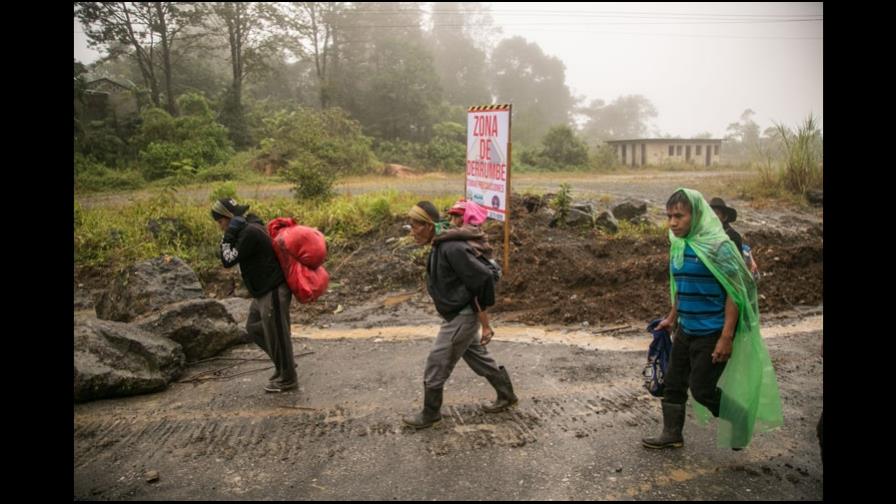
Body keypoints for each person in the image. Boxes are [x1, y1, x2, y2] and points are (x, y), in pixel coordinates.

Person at [642, 189, 782, 450]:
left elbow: (735, 292)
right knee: (673, 384)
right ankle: (672, 434)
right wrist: (671, 318)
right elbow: (680, 286)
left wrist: (726, 337)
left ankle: (739, 418)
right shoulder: (679, 244)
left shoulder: (719, 247)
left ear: (696, 215)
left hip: (712, 332)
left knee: (702, 389)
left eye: (679, 216)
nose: (673, 223)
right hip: (686, 329)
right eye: (669, 216)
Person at [402, 201, 517, 429]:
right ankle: (507, 395)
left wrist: (473, 312)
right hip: (458, 316)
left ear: (428, 225)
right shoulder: (440, 243)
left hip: (461, 317)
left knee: (437, 362)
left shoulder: (450, 248)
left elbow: (482, 278)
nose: (412, 231)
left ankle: (430, 414)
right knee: (478, 357)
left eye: (415, 225)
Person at [211, 198, 297, 393]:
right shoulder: (249, 227)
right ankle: (284, 364)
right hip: (263, 292)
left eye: (220, 222)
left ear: (228, 218)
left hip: (273, 289)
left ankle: (288, 377)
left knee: (278, 334)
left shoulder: (249, 231)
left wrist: (229, 235)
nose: (220, 227)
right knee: (254, 327)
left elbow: (227, 259)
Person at [439, 199, 496, 343]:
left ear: (467, 217)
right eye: (452, 217)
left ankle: (486, 327)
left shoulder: (471, 229)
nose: (453, 221)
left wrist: (435, 236)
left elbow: (451, 234)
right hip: (476, 264)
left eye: (457, 217)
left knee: (474, 297)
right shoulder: (465, 230)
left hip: (486, 267)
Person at [709, 197, 760, 280]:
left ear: (724, 217)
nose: (713, 217)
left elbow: (737, 265)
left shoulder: (732, 236)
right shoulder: (706, 234)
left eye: (717, 213)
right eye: (711, 213)